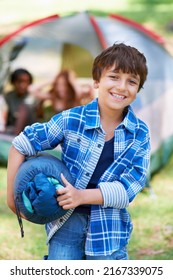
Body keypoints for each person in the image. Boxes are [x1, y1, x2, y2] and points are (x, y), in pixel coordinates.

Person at [7, 43, 150, 260]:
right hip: (65, 226)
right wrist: (12, 198)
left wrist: (80, 196)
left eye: (132, 81)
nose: (122, 87)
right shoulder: (71, 119)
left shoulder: (139, 133)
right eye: (114, 77)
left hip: (109, 231)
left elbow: (128, 189)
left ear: (138, 90)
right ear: (96, 81)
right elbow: (21, 144)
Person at [30, 69, 95, 120]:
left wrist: (72, 81)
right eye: (58, 85)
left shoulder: (76, 96)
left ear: (70, 85)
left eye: (65, 85)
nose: (61, 88)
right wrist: (53, 80)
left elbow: (91, 87)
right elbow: (32, 90)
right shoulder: (54, 97)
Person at [4, 68, 38, 135]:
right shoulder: (8, 97)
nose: (22, 85)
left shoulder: (33, 97)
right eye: (19, 81)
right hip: (10, 130)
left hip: (29, 133)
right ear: (13, 82)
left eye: (26, 82)